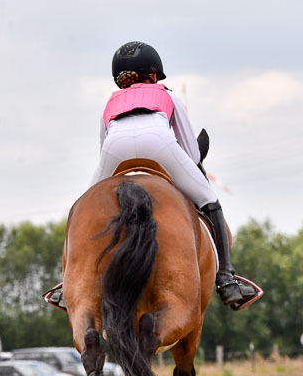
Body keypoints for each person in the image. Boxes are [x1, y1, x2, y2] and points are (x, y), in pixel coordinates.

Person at [89, 41, 258, 309]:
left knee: (85, 207)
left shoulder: (110, 104)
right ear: (153, 75)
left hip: (114, 148)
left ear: (120, 79)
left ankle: (71, 282)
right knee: (209, 199)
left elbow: (103, 146)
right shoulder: (169, 96)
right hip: (159, 143)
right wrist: (196, 171)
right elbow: (191, 151)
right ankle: (227, 279)